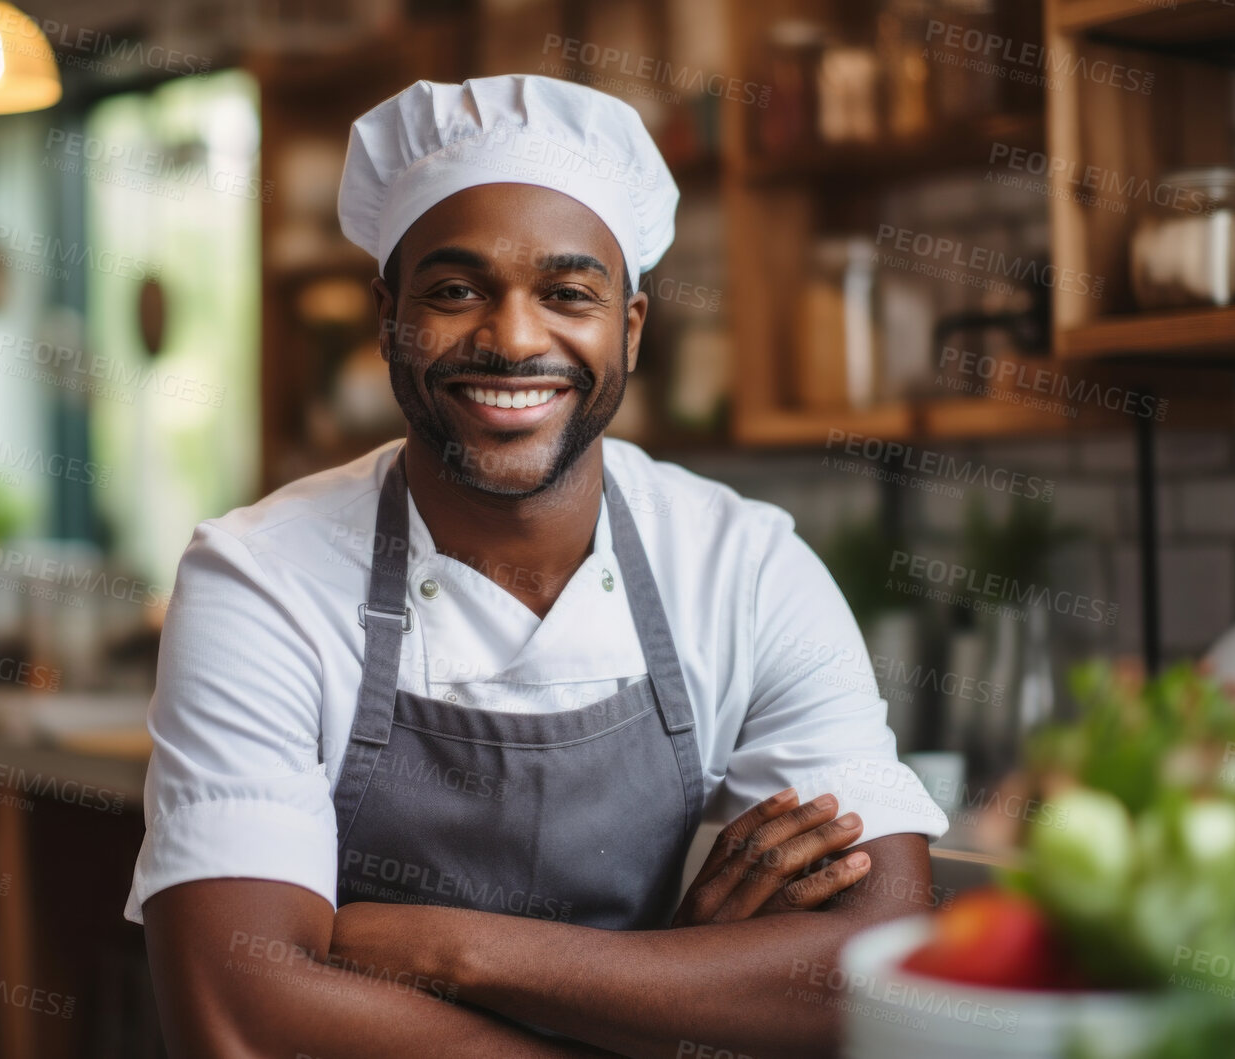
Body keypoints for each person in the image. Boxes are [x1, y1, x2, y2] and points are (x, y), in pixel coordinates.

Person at [130, 74, 948, 1057]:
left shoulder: (744, 569)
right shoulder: (260, 580)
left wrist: (446, 949)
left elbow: (874, 969)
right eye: (454, 290)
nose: (514, 339)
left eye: (567, 294)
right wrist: (656, 1005)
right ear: (387, 316)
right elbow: (238, 1020)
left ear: (630, 329)